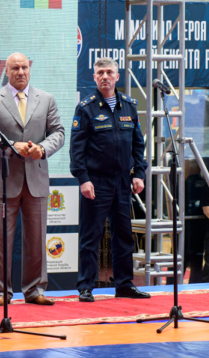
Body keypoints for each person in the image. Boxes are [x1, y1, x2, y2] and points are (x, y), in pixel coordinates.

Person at [0, 53, 65, 306]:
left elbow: (58, 132)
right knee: (1, 239)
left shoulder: (46, 99)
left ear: (30, 68)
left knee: (37, 238)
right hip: (5, 180)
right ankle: (1, 293)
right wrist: (10, 147)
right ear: (6, 71)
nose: (20, 72)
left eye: (24, 67)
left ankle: (34, 290)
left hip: (36, 179)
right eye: (15, 68)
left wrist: (44, 148)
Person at [70, 57, 150, 301]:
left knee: (124, 234)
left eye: (109, 72)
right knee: (90, 235)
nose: (105, 76)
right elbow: (76, 149)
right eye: (100, 73)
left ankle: (124, 284)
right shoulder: (86, 107)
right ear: (94, 77)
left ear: (117, 76)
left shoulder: (130, 106)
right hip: (96, 181)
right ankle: (85, 286)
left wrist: (139, 173)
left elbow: (138, 143)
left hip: (122, 182)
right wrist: (83, 179)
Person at [184, 159, 209, 283]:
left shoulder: (188, 182)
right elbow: (206, 209)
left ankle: (193, 283)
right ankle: (196, 284)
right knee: (196, 260)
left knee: (192, 260)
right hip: (194, 224)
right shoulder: (204, 183)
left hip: (192, 224)